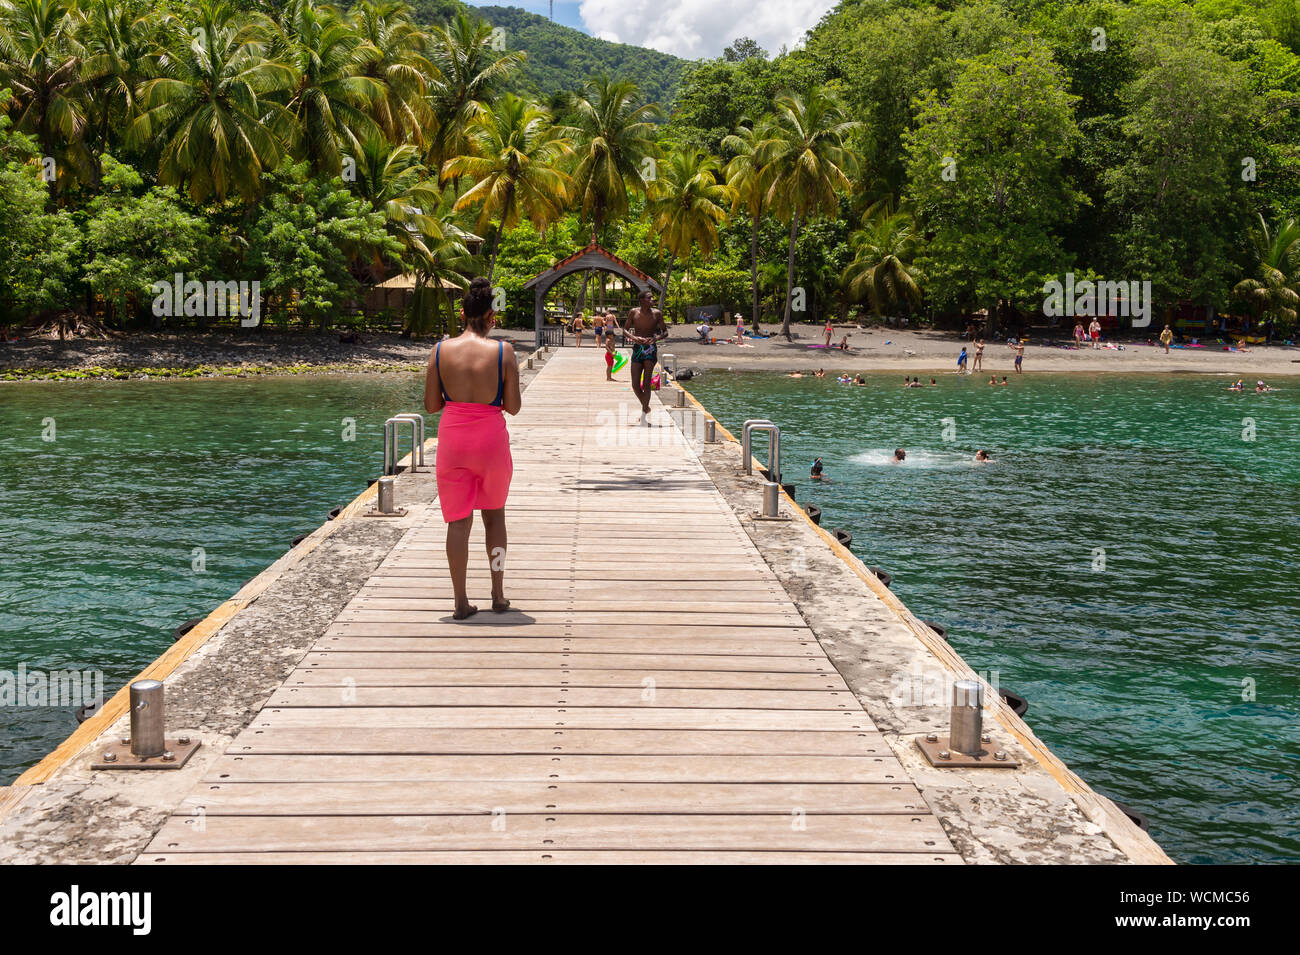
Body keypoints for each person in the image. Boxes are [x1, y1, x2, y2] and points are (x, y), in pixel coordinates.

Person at [424, 277, 522, 620]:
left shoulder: (440, 350)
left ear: (463, 313)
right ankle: (497, 594)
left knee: (457, 522)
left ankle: (461, 601)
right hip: (490, 443)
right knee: (494, 517)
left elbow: (432, 405)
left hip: (453, 442)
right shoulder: (503, 351)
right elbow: (513, 407)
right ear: (491, 316)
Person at [625, 290, 667, 426]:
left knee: (647, 383)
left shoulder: (657, 314)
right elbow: (625, 329)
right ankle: (646, 407)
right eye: (649, 298)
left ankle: (643, 416)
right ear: (642, 300)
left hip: (650, 349)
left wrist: (655, 338)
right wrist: (634, 337)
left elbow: (665, 332)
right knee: (635, 384)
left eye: (652, 298)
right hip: (638, 348)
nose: (652, 300)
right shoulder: (634, 312)